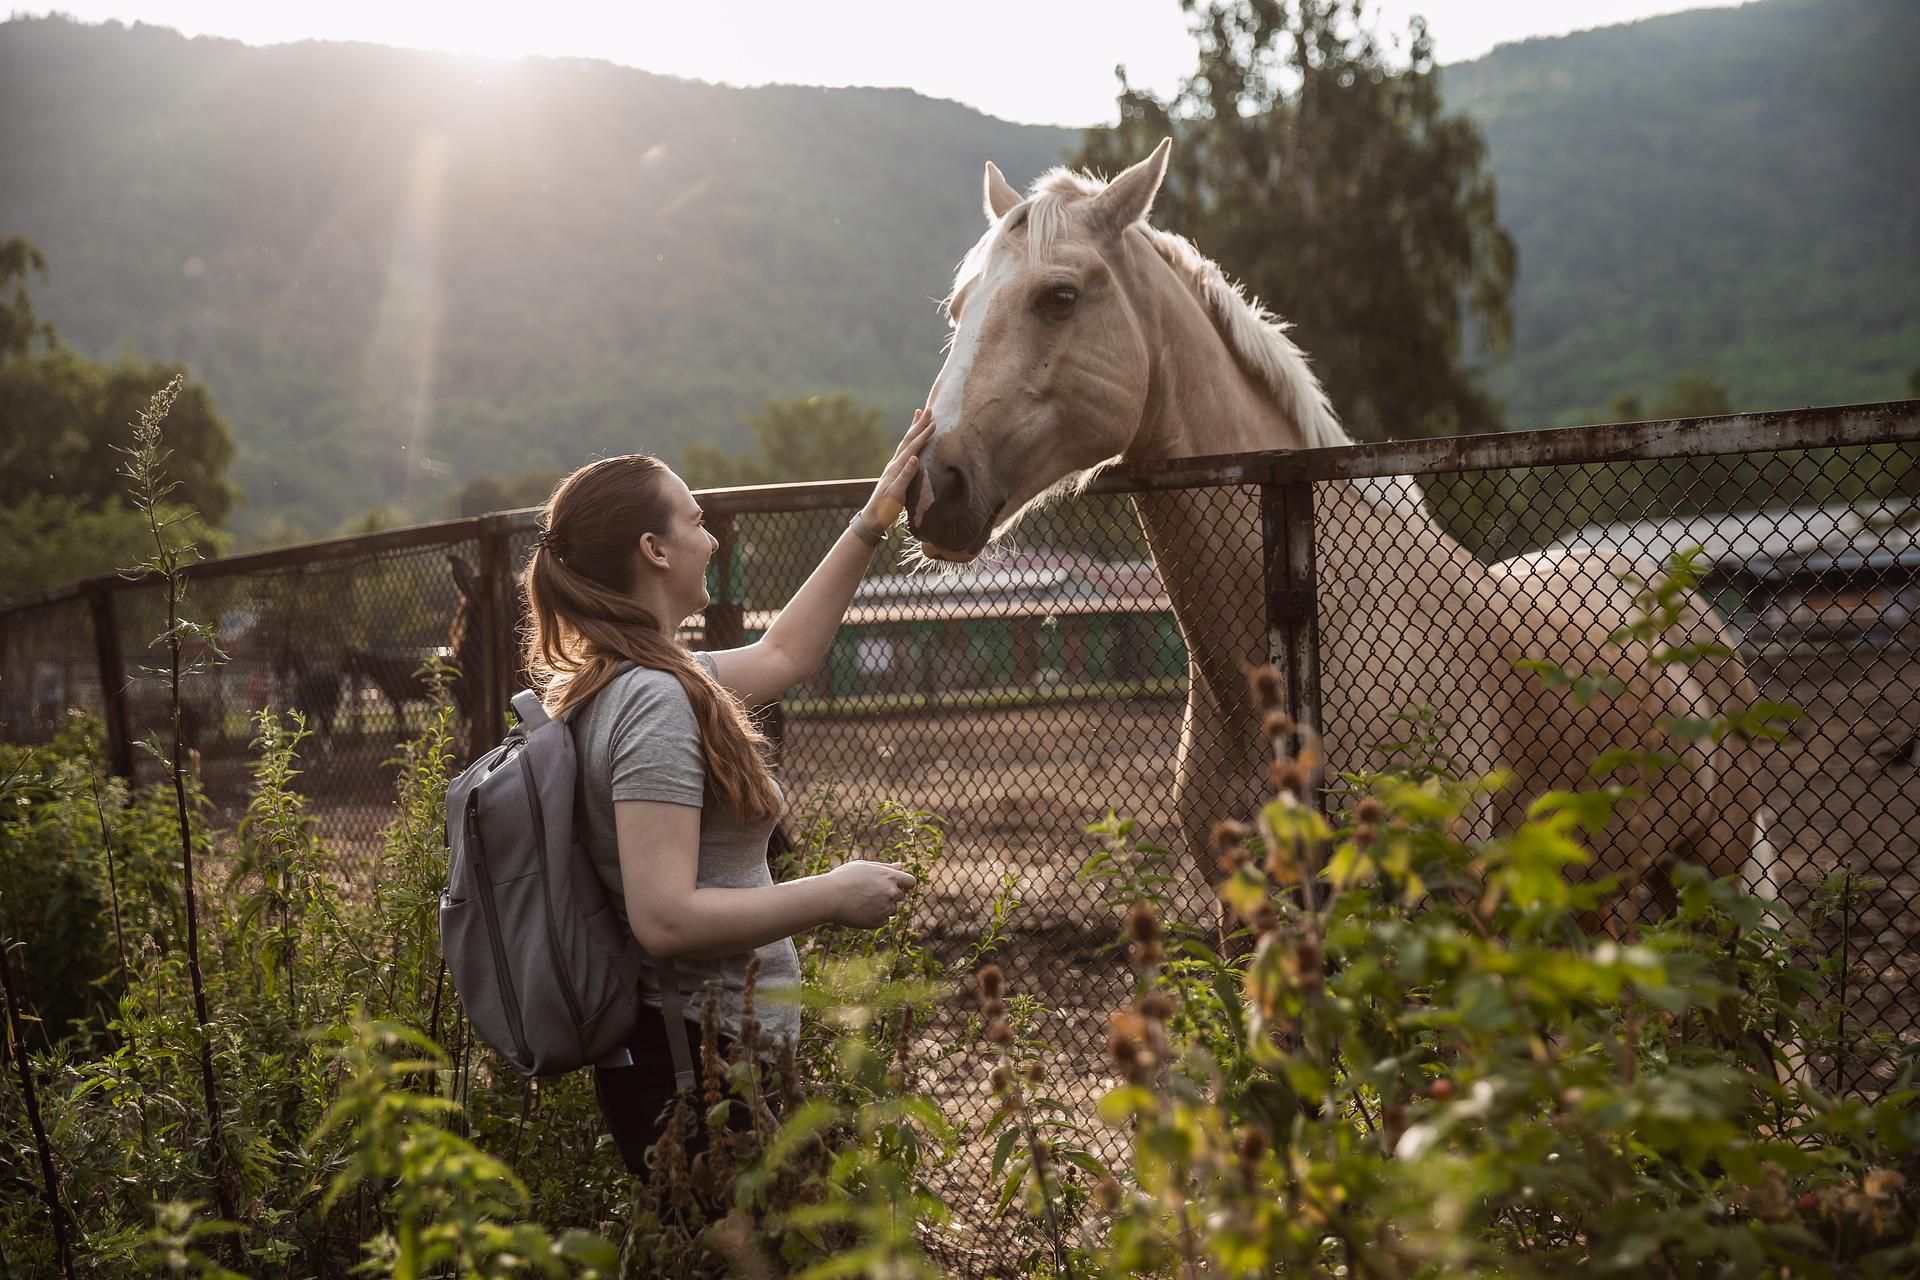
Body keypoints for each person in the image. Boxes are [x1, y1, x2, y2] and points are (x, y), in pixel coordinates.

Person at [522, 408, 937, 1174]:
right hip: (697, 1066)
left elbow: (786, 651)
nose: (710, 538)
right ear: (653, 549)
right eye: (694, 520)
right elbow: (666, 918)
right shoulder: (650, 700)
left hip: (703, 1053)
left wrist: (873, 520)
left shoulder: (638, 677)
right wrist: (831, 895)